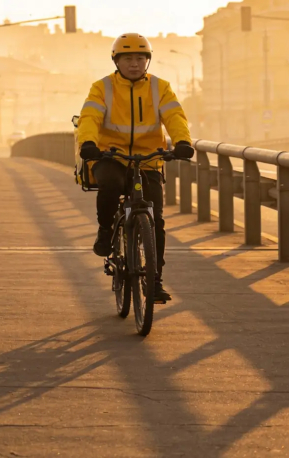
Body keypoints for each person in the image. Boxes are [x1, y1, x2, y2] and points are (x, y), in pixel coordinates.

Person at [76, 33, 194, 302]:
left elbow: (174, 116)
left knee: (156, 218)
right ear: (116, 61)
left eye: (140, 58)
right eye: (128, 58)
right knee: (111, 185)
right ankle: (106, 230)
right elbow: (90, 116)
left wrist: (183, 141)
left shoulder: (160, 87)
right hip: (110, 156)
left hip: (149, 158)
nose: (134, 63)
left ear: (148, 61)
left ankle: (154, 281)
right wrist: (88, 142)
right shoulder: (102, 87)